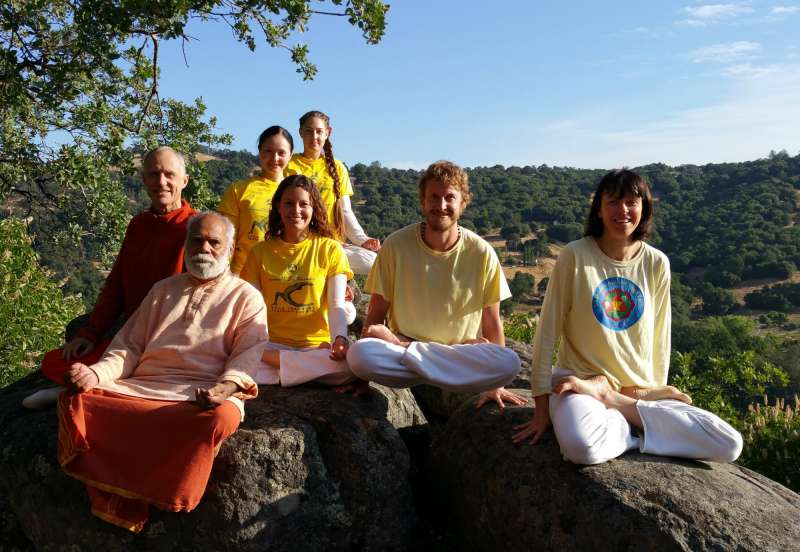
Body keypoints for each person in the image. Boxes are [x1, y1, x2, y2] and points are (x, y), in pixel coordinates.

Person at [512, 169, 743, 465]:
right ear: (599, 209)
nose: (623, 210)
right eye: (613, 202)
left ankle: (617, 408)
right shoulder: (575, 256)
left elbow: (660, 337)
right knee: (582, 448)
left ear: (644, 207)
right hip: (582, 383)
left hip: (633, 393)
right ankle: (637, 428)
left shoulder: (656, 262)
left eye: (632, 202)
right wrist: (542, 410)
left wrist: (652, 392)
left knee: (728, 444)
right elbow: (546, 334)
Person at [58, 211, 266, 532]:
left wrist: (225, 389)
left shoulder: (246, 297)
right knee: (76, 399)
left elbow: (247, 357)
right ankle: (122, 492)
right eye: (197, 240)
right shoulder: (162, 290)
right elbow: (127, 348)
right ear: (186, 243)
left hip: (203, 395)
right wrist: (96, 374)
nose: (205, 248)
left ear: (230, 248)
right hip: (143, 387)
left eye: (214, 242)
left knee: (220, 418)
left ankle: (156, 491)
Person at [23, 146, 197, 408]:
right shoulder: (139, 225)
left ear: (184, 181)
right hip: (131, 336)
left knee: (148, 370)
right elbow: (116, 283)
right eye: (154, 174)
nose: (161, 182)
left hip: (171, 340)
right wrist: (89, 334)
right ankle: (103, 383)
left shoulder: (196, 227)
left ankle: (82, 389)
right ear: (144, 180)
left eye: (169, 174)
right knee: (57, 361)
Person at [345, 161, 523, 406]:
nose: (441, 206)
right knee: (359, 355)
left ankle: (411, 350)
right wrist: (362, 378)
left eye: (449, 198)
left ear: (462, 203)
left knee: (509, 363)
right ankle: (418, 354)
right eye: (434, 197)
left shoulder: (482, 252)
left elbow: (492, 323)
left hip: (450, 352)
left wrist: (497, 386)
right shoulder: (395, 246)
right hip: (425, 359)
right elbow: (376, 315)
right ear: (423, 201)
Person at [240, 175, 356, 387]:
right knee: (228, 360)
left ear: (314, 208)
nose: (296, 210)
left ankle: (277, 368)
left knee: (351, 365)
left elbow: (336, 304)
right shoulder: (259, 252)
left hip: (314, 346)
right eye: (288, 203)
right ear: (278, 206)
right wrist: (254, 347)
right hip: (271, 343)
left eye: (304, 204)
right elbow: (252, 309)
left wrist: (339, 339)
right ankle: (300, 373)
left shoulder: (330, 249)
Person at [285, 110, 380, 275]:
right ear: (300, 133)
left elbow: (345, 210)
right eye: (308, 131)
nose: (314, 136)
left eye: (319, 131)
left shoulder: (337, 168)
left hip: (331, 243)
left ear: (328, 133)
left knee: (374, 262)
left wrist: (362, 240)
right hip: (299, 241)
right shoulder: (289, 165)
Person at [217, 126, 293, 274]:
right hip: (243, 278)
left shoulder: (297, 193)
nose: (275, 158)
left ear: (290, 155)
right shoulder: (238, 190)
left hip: (283, 276)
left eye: (281, 153)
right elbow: (225, 238)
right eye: (268, 151)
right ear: (260, 152)